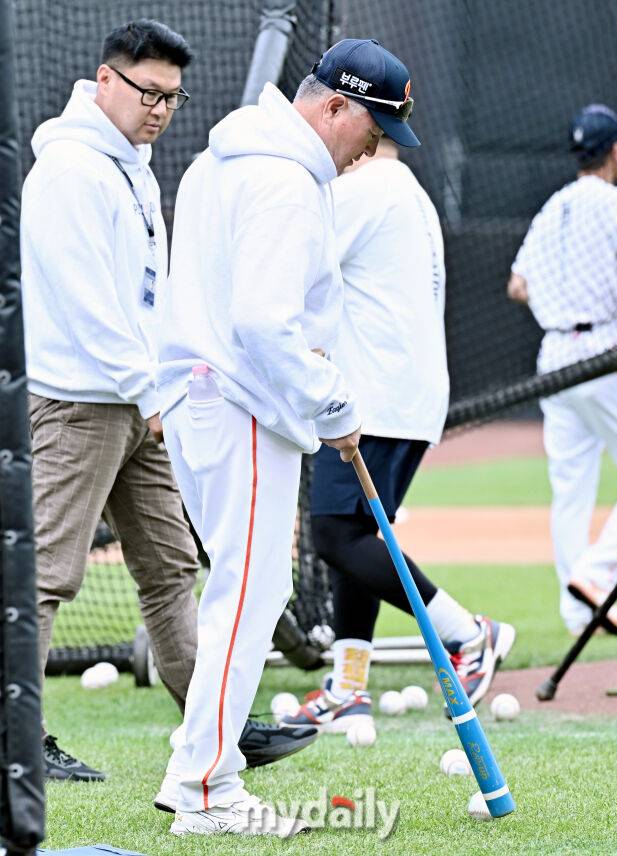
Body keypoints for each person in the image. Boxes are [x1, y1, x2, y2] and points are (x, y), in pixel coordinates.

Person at [20, 18, 314, 786]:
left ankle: (214, 725)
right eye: (149, 92)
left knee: (172, 566)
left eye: (173, 98)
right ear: (106, 79)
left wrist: (158, 386)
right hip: (80, 406)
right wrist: (152, 390)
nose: (160, 109)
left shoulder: (132, 165)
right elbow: (88, 306)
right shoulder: (70, 170)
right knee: (47, 574)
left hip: (138, 402)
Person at [155, 38, 421, 838]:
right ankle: (205, 788)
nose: (368, 152)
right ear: (333, 106)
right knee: (248, 595)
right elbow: (266, 323)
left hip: (205, 397)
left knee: (243, 593)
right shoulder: (281, 179)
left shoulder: (225, 160)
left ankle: (202, 774)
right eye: (369, 132)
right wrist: (334, 406)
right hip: (240, 401)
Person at [280, 137, 515, 733]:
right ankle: (347, 687)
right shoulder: (409, 192)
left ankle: (469, 633)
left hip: (374, 398)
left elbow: (295, 266)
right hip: (406, 397)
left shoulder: (365, 188)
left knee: (334, 535)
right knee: (358, 538)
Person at [507, 103, 617, 637]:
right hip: (603, 350)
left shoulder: (553, 206)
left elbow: (517, 284)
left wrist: (558, 299)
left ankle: (578, 609)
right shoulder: (614, 202)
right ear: (615, 150)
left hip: (554, 356)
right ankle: (598, 574)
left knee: (570, 487)